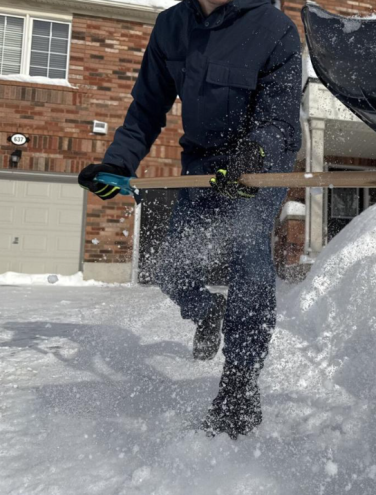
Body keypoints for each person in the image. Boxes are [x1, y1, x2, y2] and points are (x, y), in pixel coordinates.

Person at [77, 0, 302, 439]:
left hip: (259, 163)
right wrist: (118, 163)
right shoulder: (171, 26)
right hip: (202, 163)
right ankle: (207, 310)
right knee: (171, 268)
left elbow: (279, 120)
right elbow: (146, 108)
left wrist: (254, 152)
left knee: (248, 255)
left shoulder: (274, 28)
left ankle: (240, 385)